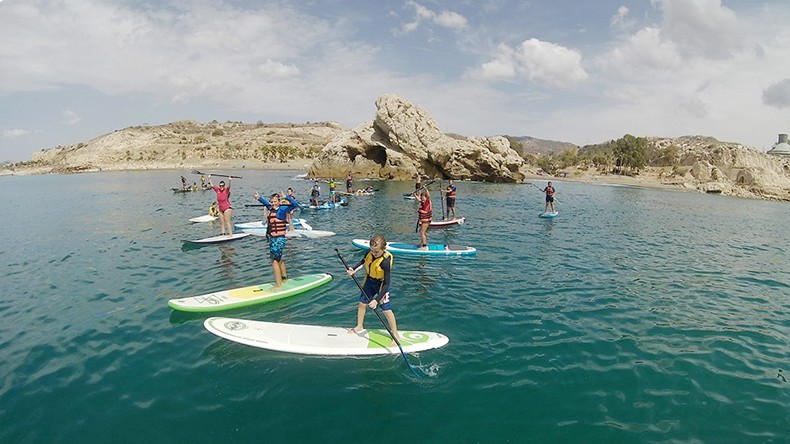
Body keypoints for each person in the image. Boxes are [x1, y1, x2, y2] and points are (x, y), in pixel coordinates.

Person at [346, 234, 399, 346]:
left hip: (381, 285)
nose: (373, 254)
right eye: (372, 251)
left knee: (386, 309)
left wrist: (376, 299)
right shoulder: (369, 253)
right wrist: (353, 269)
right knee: (362, 304)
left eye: (376, 252)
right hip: (370, 282)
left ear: (384, 249)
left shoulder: (385, 262)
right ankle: (359, 326)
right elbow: (363, 262)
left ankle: (395, 333)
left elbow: (387, 283)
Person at [254, 191, 300, 290]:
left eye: (275, 201)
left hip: (279, 239)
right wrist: (259, 198)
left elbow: (296, 205)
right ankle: (284, 278)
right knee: (279, 259)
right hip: (272, 238)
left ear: (279, 201)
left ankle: (278, 285)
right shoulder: (271, 208)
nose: (273, 203)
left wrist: (287, 197)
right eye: (272, 202)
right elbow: (266, 203)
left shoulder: (282, 209)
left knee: (274, 261)